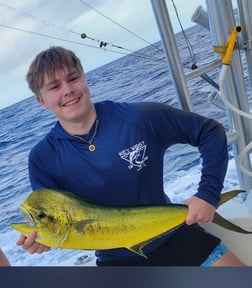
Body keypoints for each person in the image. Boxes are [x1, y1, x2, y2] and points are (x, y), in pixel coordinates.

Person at [16, 46, 245, 266]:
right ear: (41, 101)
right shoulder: (42, 159)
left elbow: (209, 132)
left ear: (85, 80)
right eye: (54, 87)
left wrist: (208, 193)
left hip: (174, 235)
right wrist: (44, 241)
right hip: (117, 261)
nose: (67, 90)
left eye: (73, 78)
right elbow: (57, 223)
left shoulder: (137, 118)